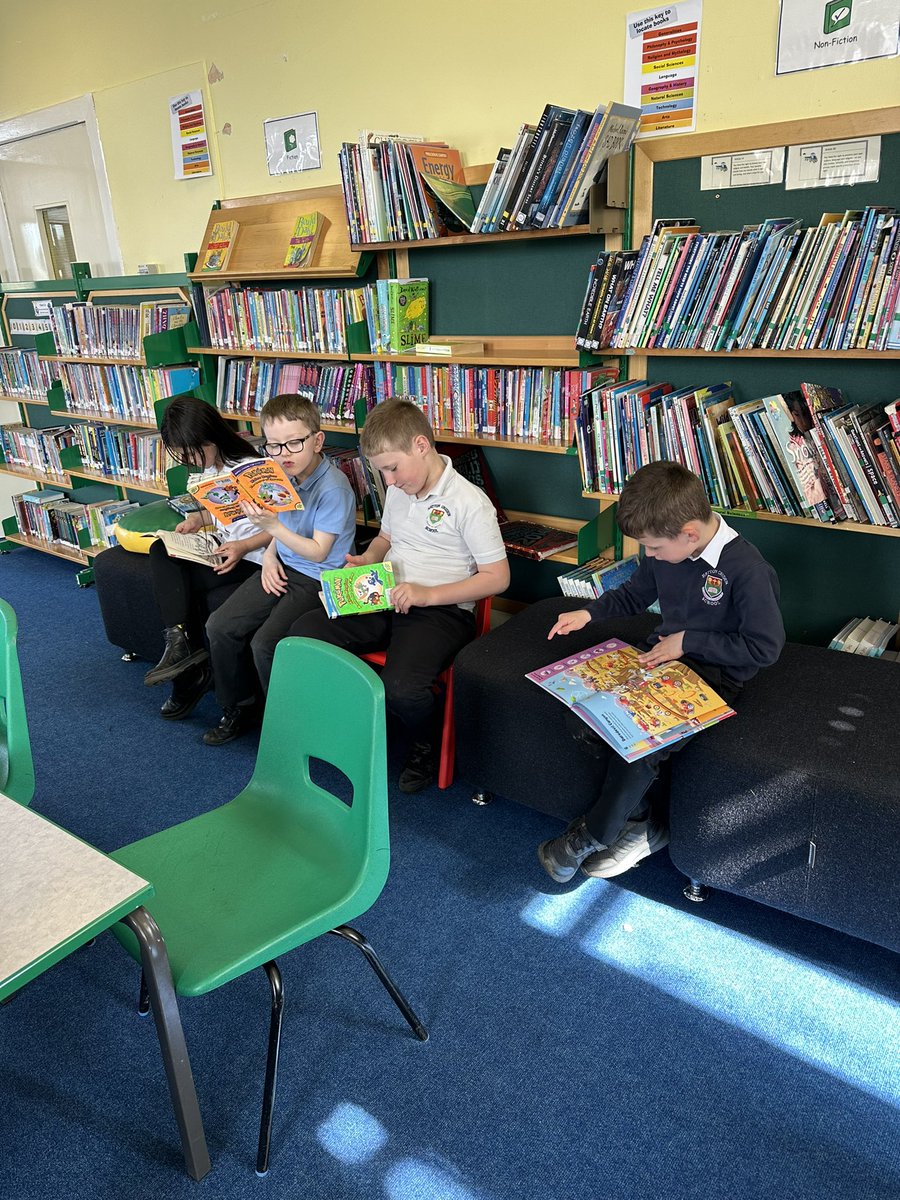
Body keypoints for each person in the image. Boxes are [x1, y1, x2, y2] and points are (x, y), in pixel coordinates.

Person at [537, 460, 785, 883]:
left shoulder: (746, 570)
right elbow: (636, 594)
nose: (649, 556)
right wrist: (588, 612)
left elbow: (764, 647)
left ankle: (594, 836)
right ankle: (640, 825)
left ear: (689, 533)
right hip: (661, 657)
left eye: (653, 548)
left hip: (718, 674)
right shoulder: (667, 545)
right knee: (582, 716)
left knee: (638, 744)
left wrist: (688, 642)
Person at [291, 397, 510, 792]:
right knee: (304, 633)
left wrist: (427, 594)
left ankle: (424, 743)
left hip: (440, 610)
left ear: (421, 446)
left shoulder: (469, 502)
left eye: (392, 468)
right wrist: (366, 559)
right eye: (382, 471)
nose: (389, 481)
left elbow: (497, 578)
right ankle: (351, 725)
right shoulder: (399, 488)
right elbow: (386, 538)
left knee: (403, 687)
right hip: (384, 592)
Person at [202, 393, 357, 745]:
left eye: (294, 443)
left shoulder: (334, 488)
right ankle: (238, 707)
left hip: (319, 579)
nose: (283, 453)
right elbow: (282, 530)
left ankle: (289, 727)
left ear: (317, 441)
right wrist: (270, 554)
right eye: (273, 446)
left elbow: (319, 553)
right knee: (220, 626)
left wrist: (273, 531)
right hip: (283, 564)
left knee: (267, 644)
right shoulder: (279, 476)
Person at [143, 396, 271, 720]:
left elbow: (282, 527)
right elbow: (227, 515)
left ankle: (188, 676)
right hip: (225, 547)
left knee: (182, 585)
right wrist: (199, 521)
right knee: (161, 550)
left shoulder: (250, 467)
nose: (188, 460)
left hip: (253, 556)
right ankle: (179, 645)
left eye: (190, 452)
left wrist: (243, 546)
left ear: (210, 438)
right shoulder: (211, 468)